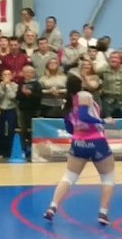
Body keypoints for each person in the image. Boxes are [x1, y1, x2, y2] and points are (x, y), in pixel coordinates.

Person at [42, 74, 116, 225]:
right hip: (96, 141)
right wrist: (103, 121)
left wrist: (79, 133)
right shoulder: (85, 95)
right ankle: (103, 212)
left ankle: (52, 207)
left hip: (78, 142)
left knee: (69, 176)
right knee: (108, 177)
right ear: (81, 84)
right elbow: (83, 116)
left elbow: (69, 127)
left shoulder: (66, 103)